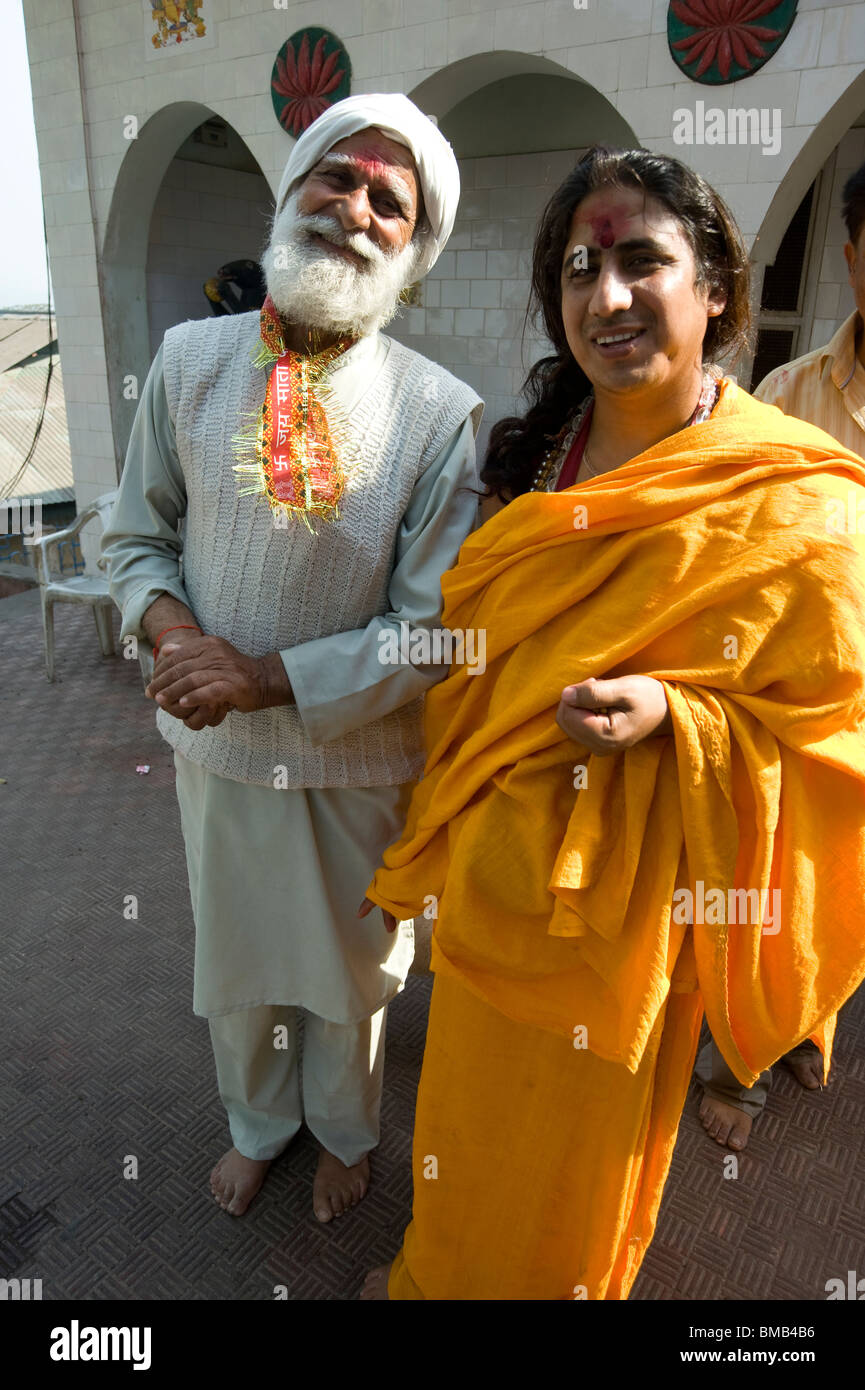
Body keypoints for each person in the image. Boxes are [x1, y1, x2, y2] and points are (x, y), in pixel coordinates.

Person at [359, 147, 865, 1299]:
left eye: (644, 261)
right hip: (497, 876)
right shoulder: (530, 454)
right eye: (579, 269)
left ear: (717, 288)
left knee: (575, 1158)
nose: (607, 296)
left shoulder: (797, 495)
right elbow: (474, 656)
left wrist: (676, 713)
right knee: (463, 1116)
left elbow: (831, 734)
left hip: (635, 911)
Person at [101, 94, 482, 1224]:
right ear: (293, 187)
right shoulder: (187, 359)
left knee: (353, 982)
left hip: (354, 758)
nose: (355, 209)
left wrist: (264, 676)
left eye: (389, 203)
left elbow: (428, 631)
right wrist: (175, 639)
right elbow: (133, 536)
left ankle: (348, 1133)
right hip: (216, 755)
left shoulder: (440, 412)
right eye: (338, 177)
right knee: (240, 970)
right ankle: (259, 1128)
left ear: (410, 253)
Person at [696, 156, 865, 1152]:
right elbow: (737, 550)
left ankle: (810, 1022)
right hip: (791, 709)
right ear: (851, 258)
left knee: (846, 895)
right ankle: (740, 1069)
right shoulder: (786, 395)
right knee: (771, 889)